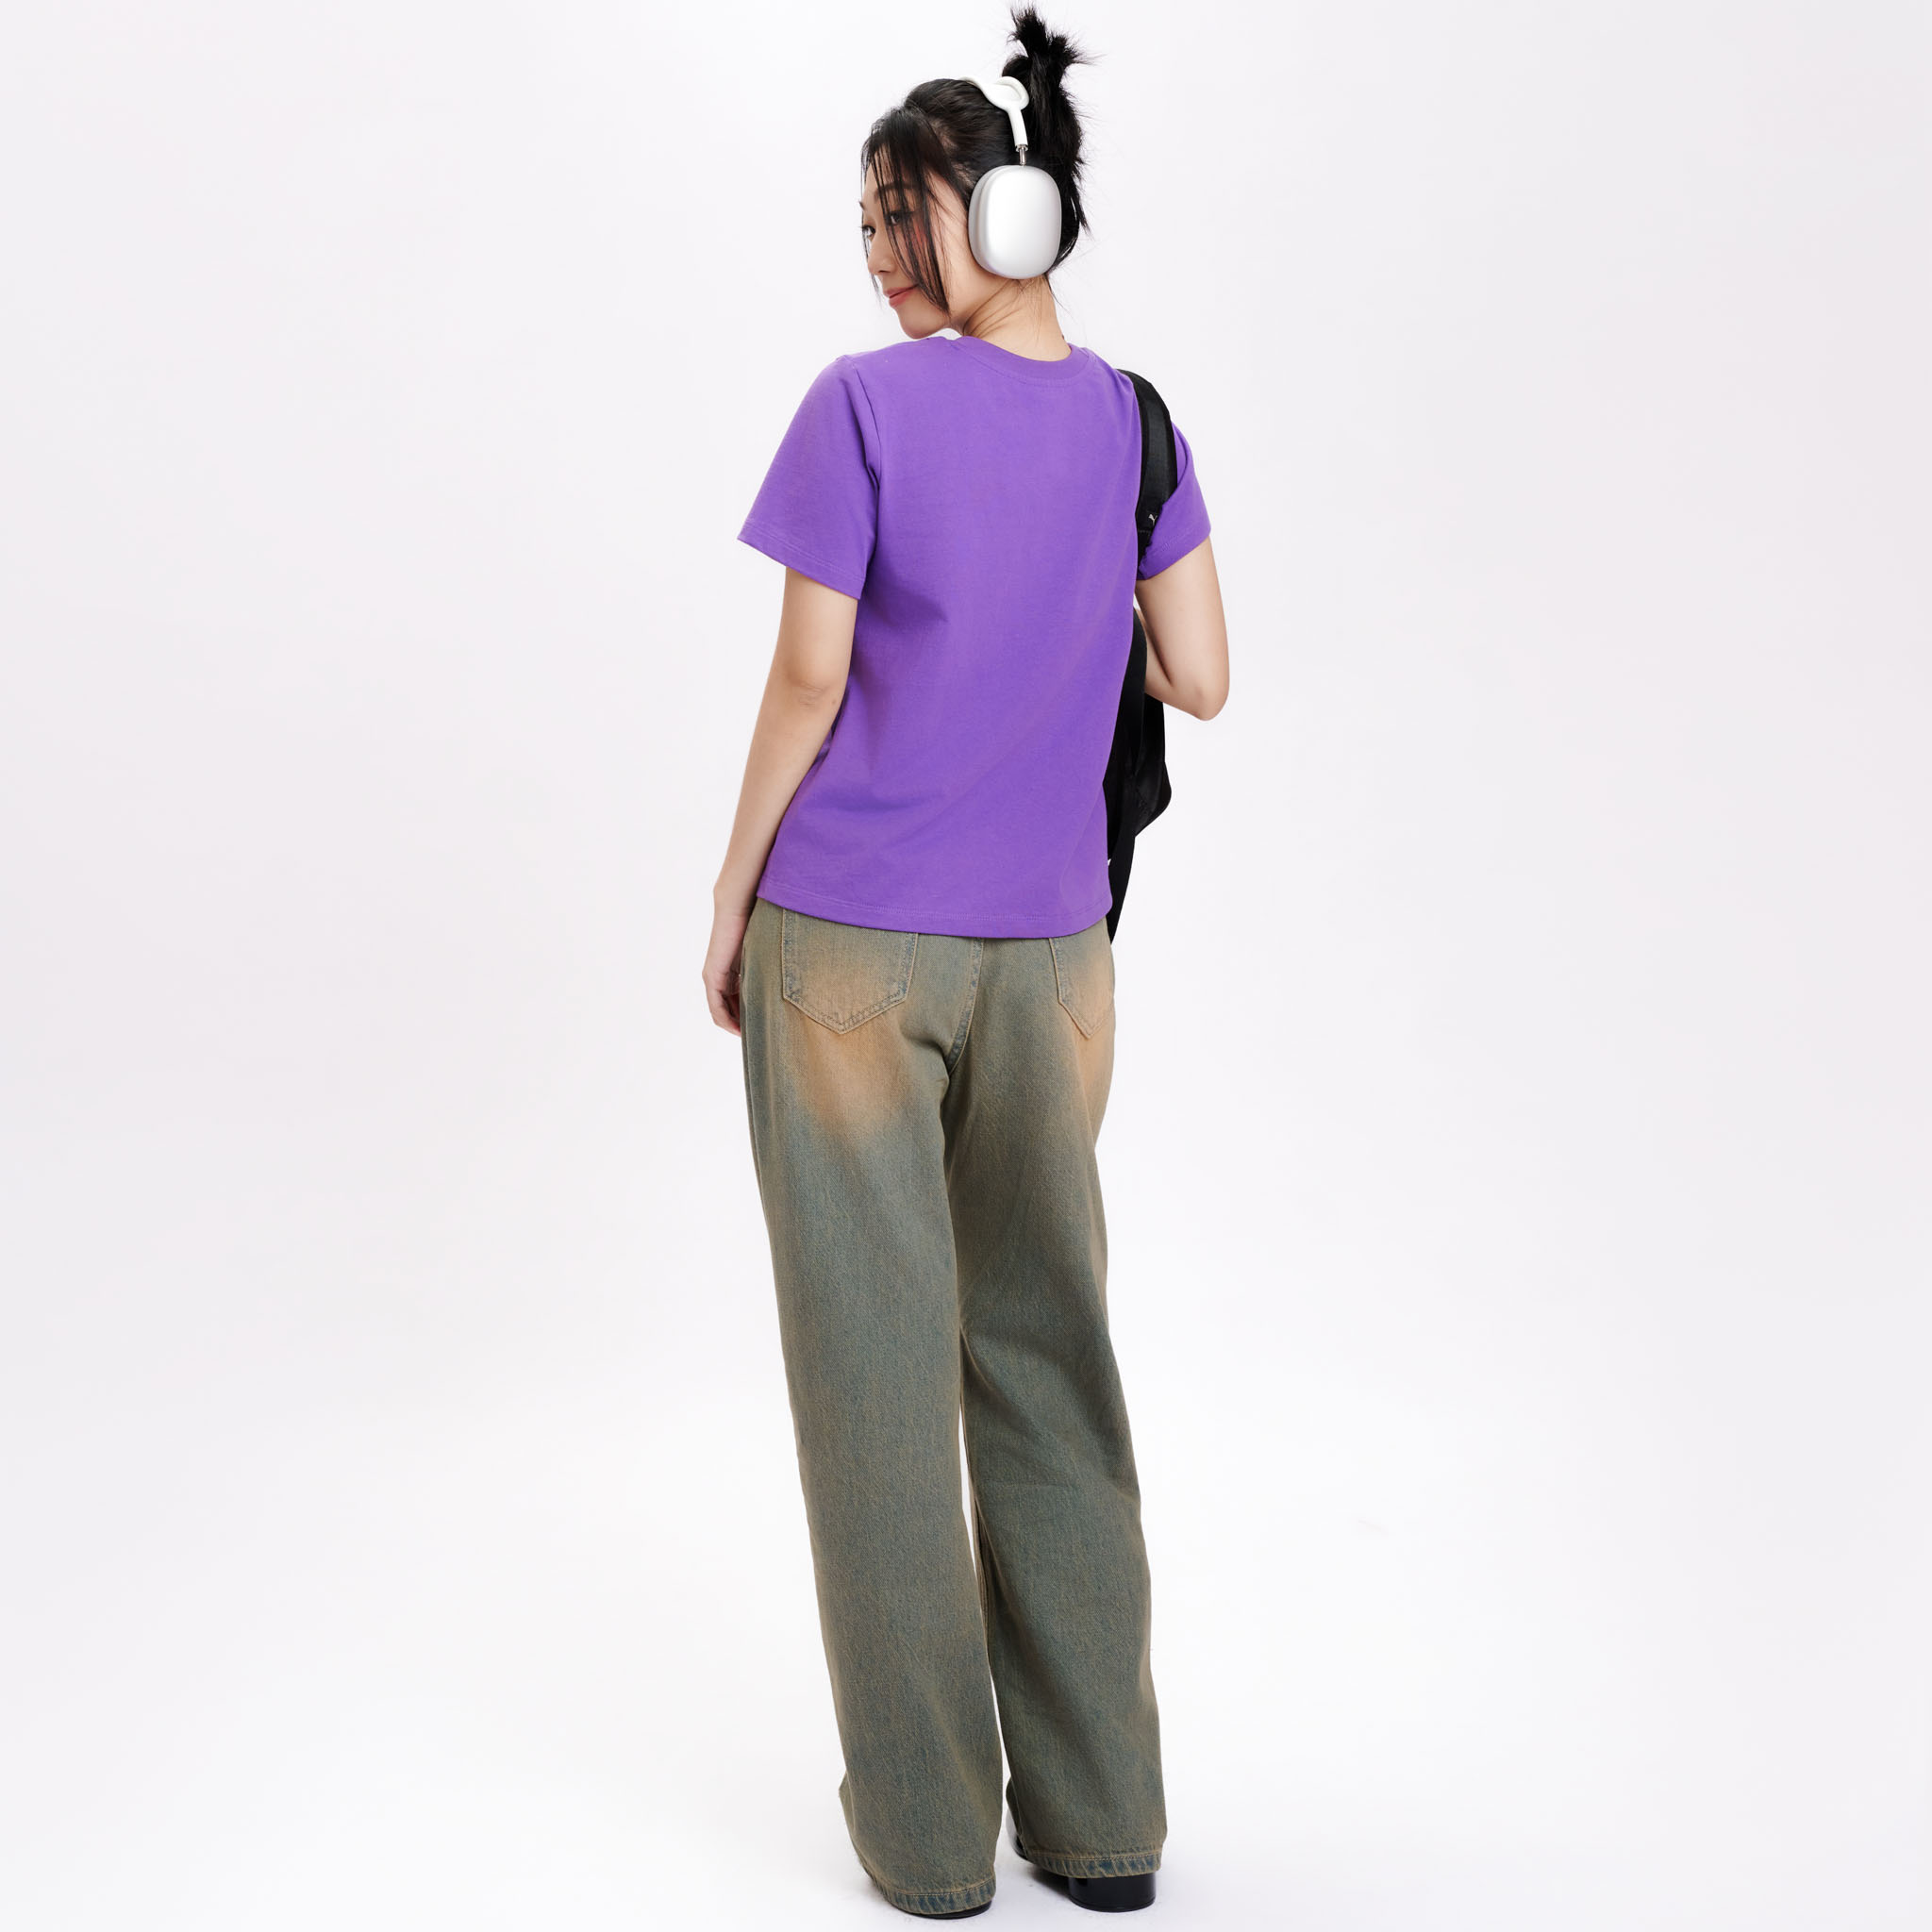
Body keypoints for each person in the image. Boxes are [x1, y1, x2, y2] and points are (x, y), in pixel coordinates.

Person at [702, 8, 1228, 1918]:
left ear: (1000, 212)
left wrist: (729, 897)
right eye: (861, 224)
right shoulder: (1138, 426)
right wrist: (1066, 623)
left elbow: (808, 677)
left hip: (847, 948)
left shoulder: (861, 407)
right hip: (1054, 968)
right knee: (1046, 1359)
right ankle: (1102, 1826)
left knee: (874, 1388)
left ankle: (931, 1845)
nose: (874, 256)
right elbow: (1203, 674)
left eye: (896, 212)